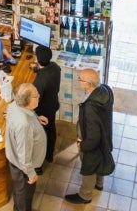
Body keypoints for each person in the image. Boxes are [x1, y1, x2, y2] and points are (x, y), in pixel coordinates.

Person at [64, 68, 115, 205]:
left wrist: (83, 145)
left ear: (88, 84)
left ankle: (85, 195)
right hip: (106, 138)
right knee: (100, 160)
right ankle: (99, 183)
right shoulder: (106, 89)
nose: (78, 81)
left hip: (91, 143)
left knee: (89, 167)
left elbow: (93, 136)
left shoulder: (90, 107)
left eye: (80, 79)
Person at [5, 83, 48, 211]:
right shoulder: (24, 125)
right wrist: (31, 174)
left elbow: (23, 114)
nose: (39, 96)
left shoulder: (14, 105)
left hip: (18, 162)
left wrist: (36, 119)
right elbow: (24, 155)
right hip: (23, 168)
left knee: (19, 190)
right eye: (36, 96)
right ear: (28, 100)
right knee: (24, 195)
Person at [32, 45, 60, 175]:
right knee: (51, 129)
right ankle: (50, 155)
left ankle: (38, 165)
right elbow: (46, 73)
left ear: (37, 59)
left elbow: (35, 100)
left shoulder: (40, 82)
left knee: (40, 137)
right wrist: (38, 71)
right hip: (53, 105)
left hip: (42, 111)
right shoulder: (55, 67)